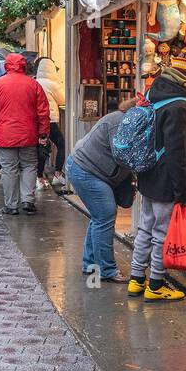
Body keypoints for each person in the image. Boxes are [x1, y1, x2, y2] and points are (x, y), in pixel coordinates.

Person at [128, 66, 186, 303]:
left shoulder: (153, 98)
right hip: (167, 179)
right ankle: (156, 284)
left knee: (146, 228)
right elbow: (177, 152)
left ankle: (136, 279)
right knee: (161, 233)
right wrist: (182, 191)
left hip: (148, 174)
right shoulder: (179, 105)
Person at [65, 97, 138, 283]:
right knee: (105, 215)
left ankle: (90, 264)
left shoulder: (121, 120)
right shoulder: (118, 122)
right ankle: (107, 270)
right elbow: (121, 155)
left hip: (87, 169)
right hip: (86, 170)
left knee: (100, 217)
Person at [0, 51, 49, 215]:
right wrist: (43, 132)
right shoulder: (33, 85)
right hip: (28, 134)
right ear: (23, 66)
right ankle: (28, 201)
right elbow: (43, 112)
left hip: (5, 135)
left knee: (9, 168)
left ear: (7, 66)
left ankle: (11, 205)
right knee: (29, 166)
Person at [35, 57, 67, 191]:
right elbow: (63, 100)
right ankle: (58, 173)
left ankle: (39, 178)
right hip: (51, 120)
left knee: (41, 148)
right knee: (61, 145)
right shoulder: (53, 84)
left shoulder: (34, 82)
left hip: (36, 120)